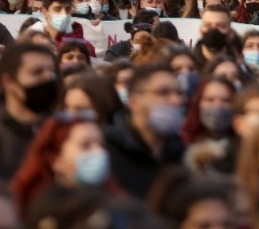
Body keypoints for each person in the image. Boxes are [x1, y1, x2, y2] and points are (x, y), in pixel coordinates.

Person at [12, 112, 119, 219]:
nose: (98, 152)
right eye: (85, 145)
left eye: (101, 144)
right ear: (56, 160)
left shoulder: (120, 211)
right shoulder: (35, 212)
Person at [103, 64, 186, 198]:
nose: (176, 100)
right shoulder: (106, 148)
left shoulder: (182, 153)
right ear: (135, 102)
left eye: (179, 93)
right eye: (163, 92)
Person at [0, 43, 60, 180]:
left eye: (52, 72)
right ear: (8, 82)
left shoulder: (62, 130)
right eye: (37, 72)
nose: (48, 78)